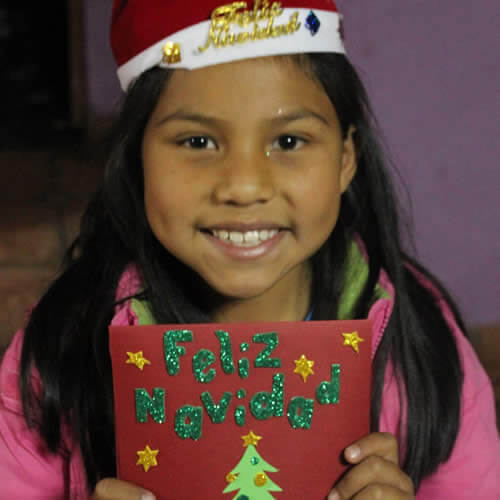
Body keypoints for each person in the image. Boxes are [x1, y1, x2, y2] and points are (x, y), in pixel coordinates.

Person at [1, 0, 498, 498]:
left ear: (345, 160)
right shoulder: (59, 349)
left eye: (288, 141)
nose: (243, 186)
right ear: (137, 161)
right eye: (197, 142)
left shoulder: (422, 342)